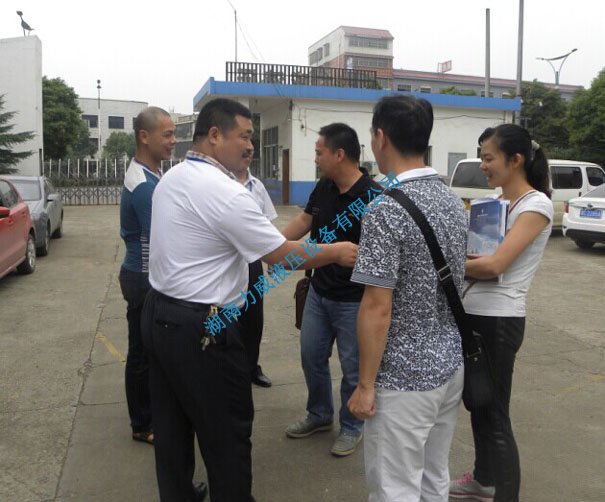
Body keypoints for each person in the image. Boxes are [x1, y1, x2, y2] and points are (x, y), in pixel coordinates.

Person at [142, 98, 358, 502]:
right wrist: (335, 252)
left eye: (251, 138)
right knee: (227, 430)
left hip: (160, 314)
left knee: (172, 427)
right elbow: (279, 253)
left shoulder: (173, 177)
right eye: (243, 136)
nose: (250, 146)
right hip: (204, 327)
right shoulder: (224, 192)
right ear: (214, 135)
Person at [347, 95, 467, 500]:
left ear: (381, 137)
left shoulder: (384, 209)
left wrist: (365, 385)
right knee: (433, 476)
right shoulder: (452, 200)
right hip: (449, 364)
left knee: (395, 487)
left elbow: (377, 306)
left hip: (403, 377)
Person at [449, 124, 553, 502]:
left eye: (488, 158)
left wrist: (444, 268)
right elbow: (474, 256)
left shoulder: (534, 205)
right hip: (474, 314)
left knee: (495, 415)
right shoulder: (491, 203)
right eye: (481, 158)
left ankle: (505, 494)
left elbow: (495, 265)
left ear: (516, 160)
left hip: (499, 320)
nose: (483, 165)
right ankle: (483, 480)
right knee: (479, 405)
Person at [282, 122, 382, 457]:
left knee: (353, 369)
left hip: (355, 300)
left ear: (339, 154)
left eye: (319, 152)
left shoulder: (374, 197)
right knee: (311, 356)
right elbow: (304, 221)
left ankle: (352, 426)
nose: (315, 158)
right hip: (318, 293)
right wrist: (271, 245)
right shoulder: (324, 186)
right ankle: (319, 414)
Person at [118, 106, 175, 445]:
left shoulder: (152, 174)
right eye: (167, 134)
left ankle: (151, 411)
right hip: (142, 277)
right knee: (141, 352)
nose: (173, 140)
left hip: (145, 274)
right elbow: (161, 238)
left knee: (151, 350)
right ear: (144, 136)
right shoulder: (142, 185)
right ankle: (142, 423)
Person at [228, 161, 278, 388]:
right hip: (228, 263)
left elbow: (267, 224)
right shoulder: (220, 184)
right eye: (243, 147)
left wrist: (273, 257)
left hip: (253, 262)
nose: (247, 151)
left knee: (254, 318)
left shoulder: (257, 186)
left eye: (250, 149)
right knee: (228, 316)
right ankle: (231, 369)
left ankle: (251, 367)